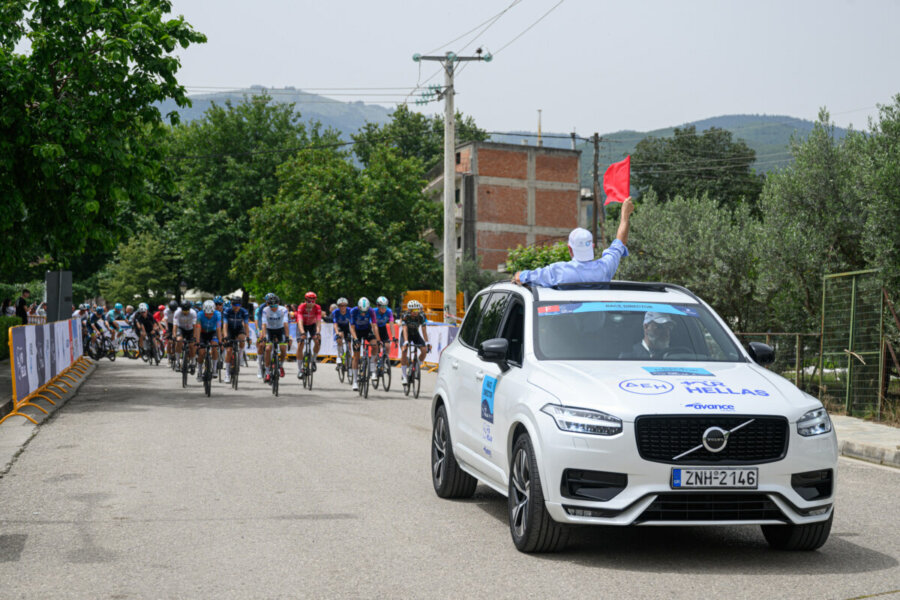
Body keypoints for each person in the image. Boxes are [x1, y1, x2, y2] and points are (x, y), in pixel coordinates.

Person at [514, 197, 635, 287]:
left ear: (570, 249)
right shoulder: (604, 269)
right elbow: (619, 243)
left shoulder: (557, 272)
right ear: (592, 247)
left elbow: (522, 277)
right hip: (598, 322)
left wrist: (519, 275)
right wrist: (625, 216)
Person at [349, 297, 380, 391]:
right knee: (356, 356)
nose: (363, 313)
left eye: (365, 311)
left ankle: (372, 368)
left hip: (367, 330)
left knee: (375, 345)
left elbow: (374, 326)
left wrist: (378, 339)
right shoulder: (353, 311)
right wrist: (355, 339)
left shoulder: (371, 311)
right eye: (361, 311)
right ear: (358, 307)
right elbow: (352, 327)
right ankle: (355, 381)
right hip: (356, 331)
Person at [260, 293, 290, 383]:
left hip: (280, 330)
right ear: (268, 304)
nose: (273, 307)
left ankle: (280, 365)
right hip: (269, 330)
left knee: (283, 348)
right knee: (268, 349)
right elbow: (264, 324)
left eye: (275, 304)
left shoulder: (283, 309)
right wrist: (264, 336)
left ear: (278, 303)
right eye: (271, 305)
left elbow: (285, 324)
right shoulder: (265, 310)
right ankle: (268, 372)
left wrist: (287, 337)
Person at [400, 300, 429, 384]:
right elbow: (404, 329)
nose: (415, 312)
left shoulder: (422, 315)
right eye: (413, 311)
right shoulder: (405, 315)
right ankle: (404, 375)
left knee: (424, 351)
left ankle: (416, 367)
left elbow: (424, 330)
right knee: (404, 351)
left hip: (416, 334)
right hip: (406, 335)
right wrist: (405, 341)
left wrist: (427, 342)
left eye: (417, 310)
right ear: (409, 310)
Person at [222, 297, 249, 384]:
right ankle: (227, 374)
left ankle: (240, 358)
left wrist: (247, 336)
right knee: (229, 350)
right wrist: (225, 336)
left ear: (240, 305)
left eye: (238, 305)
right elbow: (225, 325)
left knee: (242, 339)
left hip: (238, 329)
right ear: (231, 304)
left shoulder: (244, 311)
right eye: (234, 305)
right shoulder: (227, 311)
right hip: (229, 329)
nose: (236, 307)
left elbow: (246, 325)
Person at [295, 291, 322, 378]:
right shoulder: (301, 307)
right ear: (305, 300)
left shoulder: (317, 307)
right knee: (300, 344)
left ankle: (313, 360)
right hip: (302, 325)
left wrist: (318, 332)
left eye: (313, 301)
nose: (311, 304)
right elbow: (299, 321)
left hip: (312, 325)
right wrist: (302, 332)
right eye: (309, 301)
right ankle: (299, 370)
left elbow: (318, 322)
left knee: (317, 342)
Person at [195, 300, 222, 381]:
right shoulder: (199, 314)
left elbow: (218, 328)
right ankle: (199, 371)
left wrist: (220, 341)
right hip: (203, 333)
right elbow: (198, 328)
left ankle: (214, 368)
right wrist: (197, 342)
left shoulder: (218, 314)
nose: (209, 315)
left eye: (211, 314)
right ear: (204, 311)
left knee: (214, 347)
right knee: (201, 352)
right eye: (207, 314)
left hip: (212, 332)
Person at [173, 300, 198, 372]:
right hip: (181, 329)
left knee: (192, 345)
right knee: (179, 341)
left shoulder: (193, 313)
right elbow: (175, 325)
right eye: (184, 311)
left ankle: (193, 362)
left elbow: (195, 326)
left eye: (187, 311)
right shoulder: (177, 312)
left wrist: (194, 337)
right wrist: (174, 335)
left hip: (190, 329)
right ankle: (177, 362)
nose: (185, 312)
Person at [374, 296, 395, 365]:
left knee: (387, 346)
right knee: (377, 346)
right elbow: (373, 326)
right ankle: (374, 363)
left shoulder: (389, 311)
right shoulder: (374, 311)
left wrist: (394, 336)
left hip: (383, 328)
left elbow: (391, 324)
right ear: (378, 306)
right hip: (374, 328)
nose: (384, 308)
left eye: (385, 306)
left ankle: (384, 360)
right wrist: (378, 339)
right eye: (382, 306)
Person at [331, 298, 352, 367]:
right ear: (338, 306)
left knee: (349, 343)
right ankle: (338, 356)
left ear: (346, 306)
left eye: (344, 305)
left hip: (347, 326)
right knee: (339, 337)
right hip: (339, 326)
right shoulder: (335, 312)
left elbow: (352, 323)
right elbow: (335, 323)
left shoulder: (350, 311)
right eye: (341, 306)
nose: (343, 307)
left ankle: (349, 358)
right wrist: (337, 333)